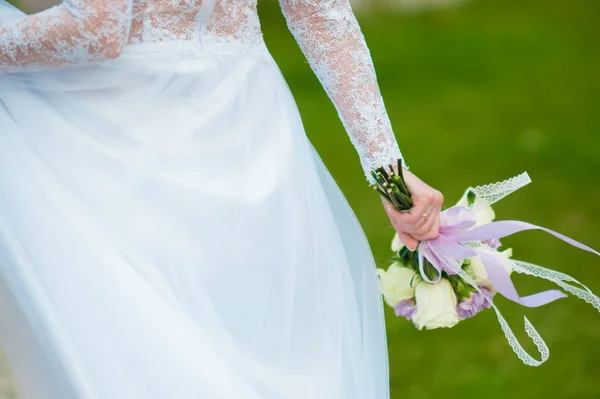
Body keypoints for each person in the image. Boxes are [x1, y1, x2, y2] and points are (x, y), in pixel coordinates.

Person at [0, 0, 442, 397]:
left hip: (122, 133)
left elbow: (96, 28)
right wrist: (390, 175)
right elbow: (322, 15)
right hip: (251, 131)